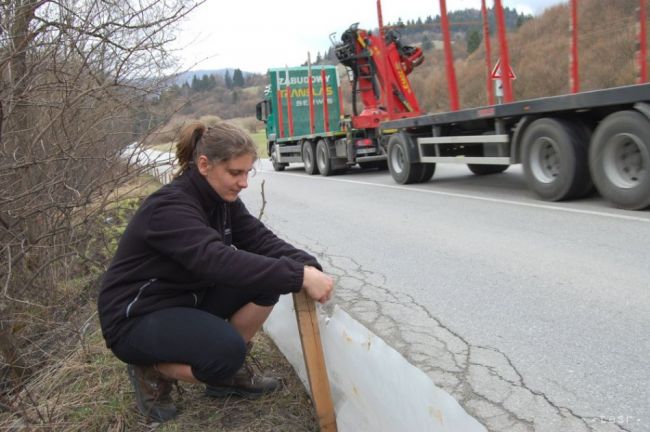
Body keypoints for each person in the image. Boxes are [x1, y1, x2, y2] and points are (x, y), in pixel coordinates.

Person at [97, 121, 334, 422]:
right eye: (235, 173)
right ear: (204, 164)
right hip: (135, 317)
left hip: (184, 298)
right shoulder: (170, 207)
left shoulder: (220, 200)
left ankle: (228, 375)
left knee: (267, 281)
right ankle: (151, 369)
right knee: (226, 351)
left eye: (248, 172)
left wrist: (307, 265)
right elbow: (216, 260)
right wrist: (298, 276)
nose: (244, 182)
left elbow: (258, 239)